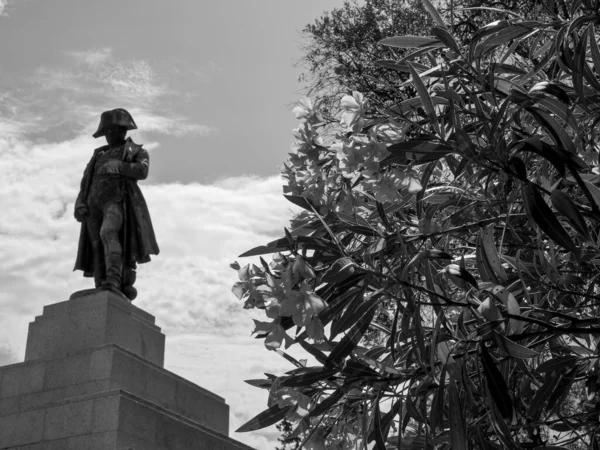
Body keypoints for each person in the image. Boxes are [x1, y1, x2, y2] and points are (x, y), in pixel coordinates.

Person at [73, 108, 159, 301]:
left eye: (114, 130)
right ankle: (100, 283)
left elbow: (142, 170)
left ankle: (114, 280)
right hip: (93, 204)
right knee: (96, 245)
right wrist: (80, 202)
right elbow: (86, 181)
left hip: (117, 201)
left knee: (108, 233)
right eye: (107, 131)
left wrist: (120, 167)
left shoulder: (135, 151)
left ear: (123, 130)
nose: (110, 134)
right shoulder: (98, 155)